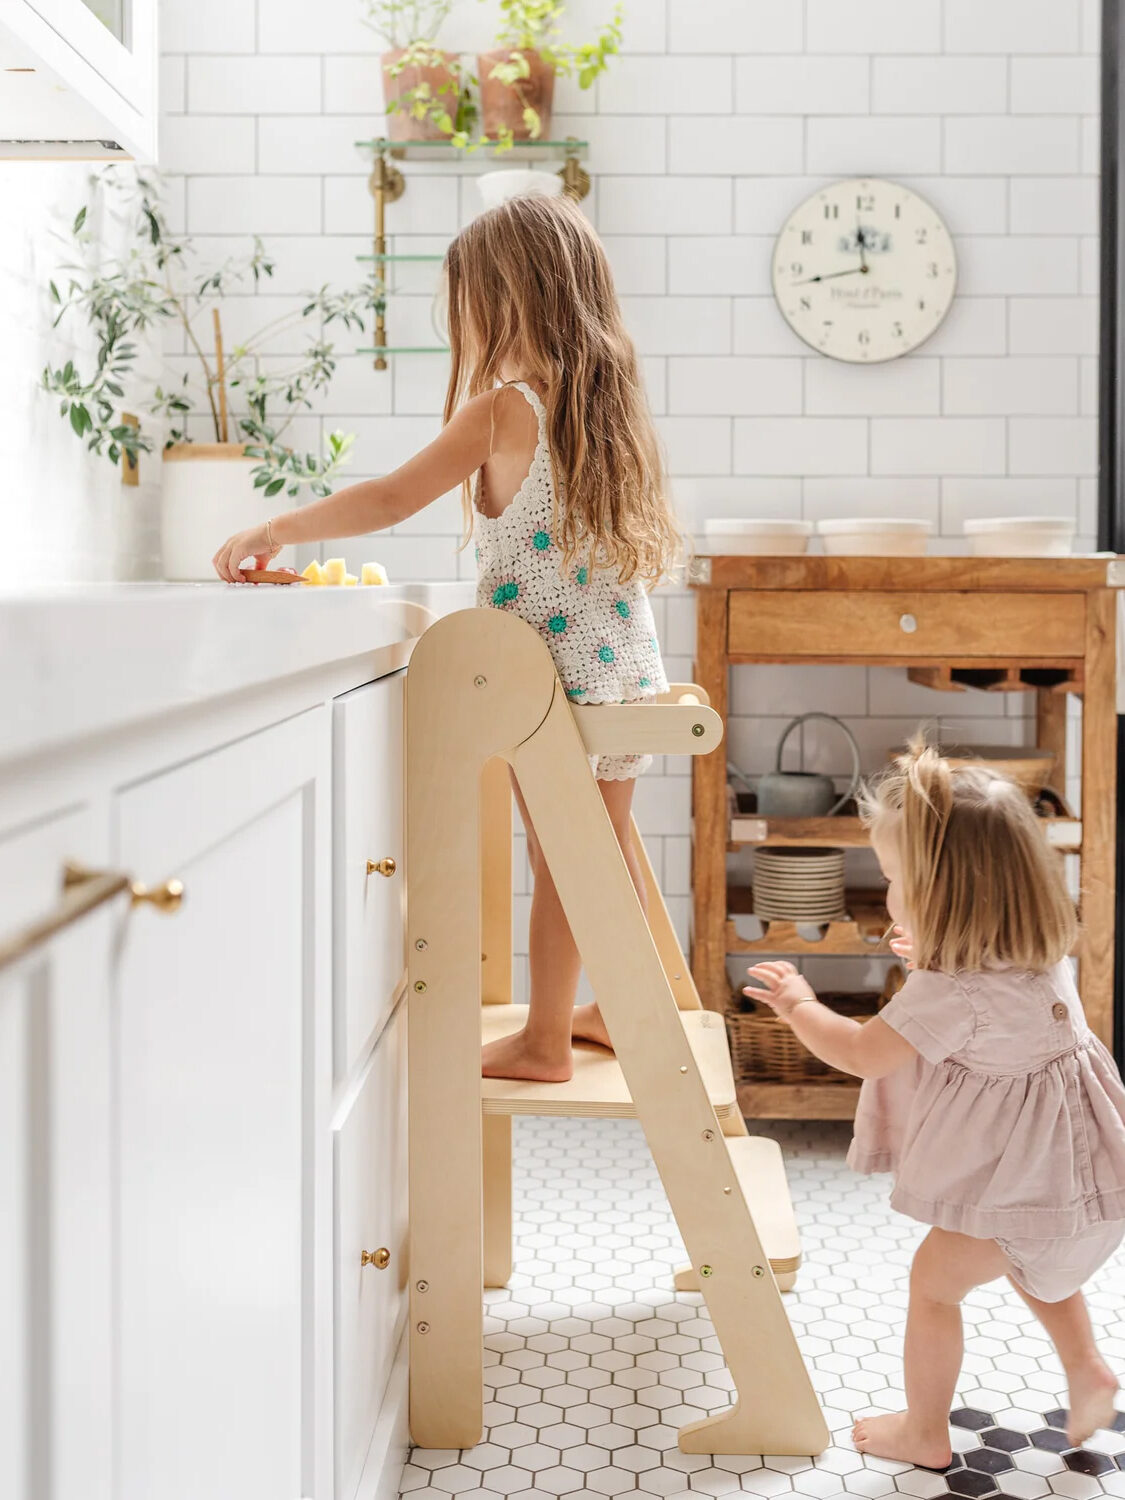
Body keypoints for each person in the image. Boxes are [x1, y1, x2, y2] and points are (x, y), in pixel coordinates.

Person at [212, 194, 679, 1084]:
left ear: (505, 299)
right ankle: (616, 1006)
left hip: (551, 686)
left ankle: (545, 1040)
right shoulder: (602, 399)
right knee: (603, 851)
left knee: (560, 862)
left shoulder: (505, 409)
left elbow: (389, 499)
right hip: (622, 668)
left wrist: (280, 527)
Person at [746, 742, 1125, 1467]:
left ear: (940, 895)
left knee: (932, 1288)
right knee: (1030, 1261)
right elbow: (989, 1007)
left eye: (892, 879)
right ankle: (1087, 1373)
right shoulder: (1042, 953)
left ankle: (923, 1433)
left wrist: (798, 1005)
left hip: (1034, 1191)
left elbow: (861, 1053)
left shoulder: (948, 992)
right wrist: (929, 956)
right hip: (1083, 1188)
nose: (886, 890)